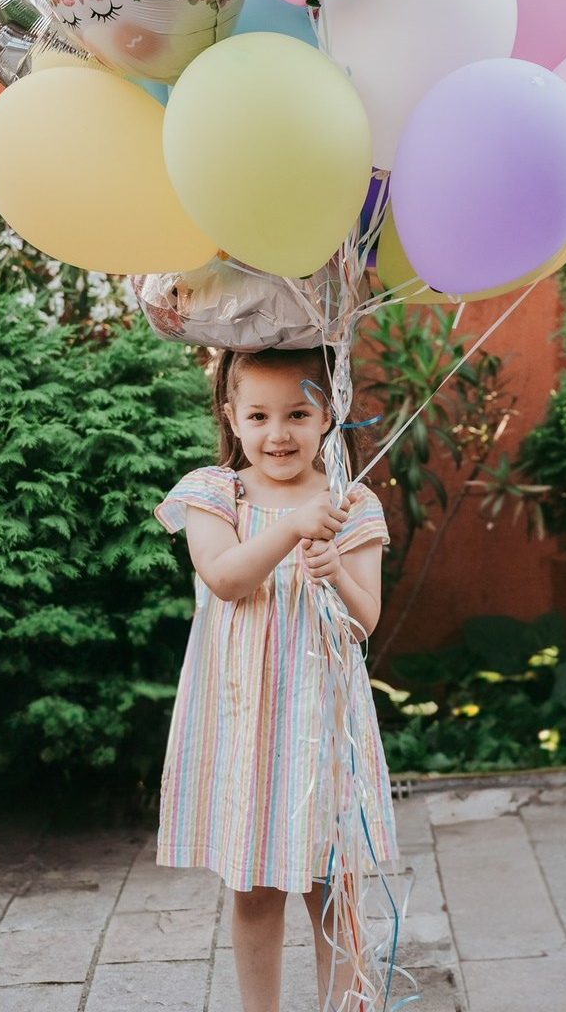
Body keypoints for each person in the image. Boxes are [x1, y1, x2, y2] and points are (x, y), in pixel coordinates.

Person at [154, 346, 397, 1012]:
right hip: (248, 725)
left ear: (329, 414)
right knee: (255, 892)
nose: (278, 433)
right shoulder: (216, 491)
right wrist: (291, 528)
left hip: (324, 728)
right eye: (258, 415)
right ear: (231, 417)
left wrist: (335, 573)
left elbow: (363, 621)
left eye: (297, 412)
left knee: (335, 891)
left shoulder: (351, 502)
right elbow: (226, 578)